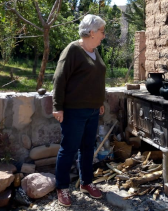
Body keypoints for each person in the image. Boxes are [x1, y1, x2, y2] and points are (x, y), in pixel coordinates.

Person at [52, 14, 106, 207]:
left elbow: (95, 79)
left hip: (92, 110)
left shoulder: (94, 51)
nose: (103, 35)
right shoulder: (73, 50)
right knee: (69, 149)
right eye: (101, 31)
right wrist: (57, 106)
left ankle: (86, 183)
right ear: (91, 32)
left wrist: (99, 101)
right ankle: (62, 187)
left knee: (87, 149)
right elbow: (59, 79)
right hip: (74, 110)